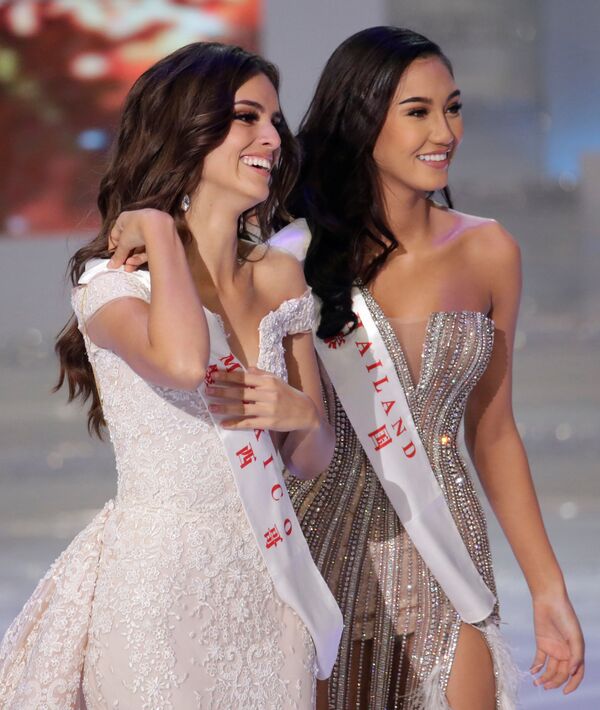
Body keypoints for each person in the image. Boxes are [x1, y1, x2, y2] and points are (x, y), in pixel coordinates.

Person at [0, 42, 342, 709]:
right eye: (247, 118)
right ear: (188, 130)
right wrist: (158, 229)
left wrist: (301, 413)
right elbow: (185, 364)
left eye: (275, 121)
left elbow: (310, 457)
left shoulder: (280, 275)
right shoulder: (112, 282)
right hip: (157, 584)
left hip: (269, 582)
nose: (270, 137)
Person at [268, 26, 585, 710]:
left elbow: (494, 432)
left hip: (448, 546)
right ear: (361, 122)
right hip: (323, 545)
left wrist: (547, 584)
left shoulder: (490, 250)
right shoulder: (291, 258)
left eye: (454, 107)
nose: (444, 130)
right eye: (417, 111)